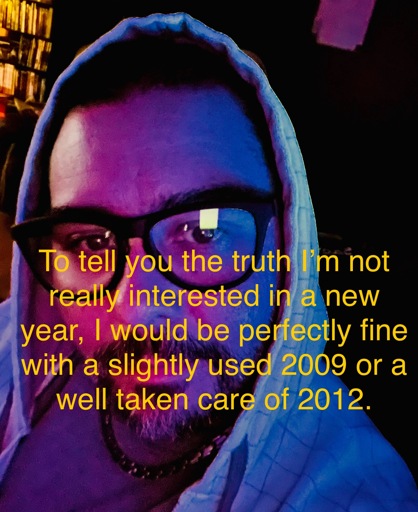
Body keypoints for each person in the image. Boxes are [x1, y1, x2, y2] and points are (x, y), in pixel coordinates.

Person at [0, 12, 417, 512]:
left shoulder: (354, 490)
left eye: (203, 233)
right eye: (89, 243)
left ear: (288, 244)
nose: (134, 311)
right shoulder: (12, 340)